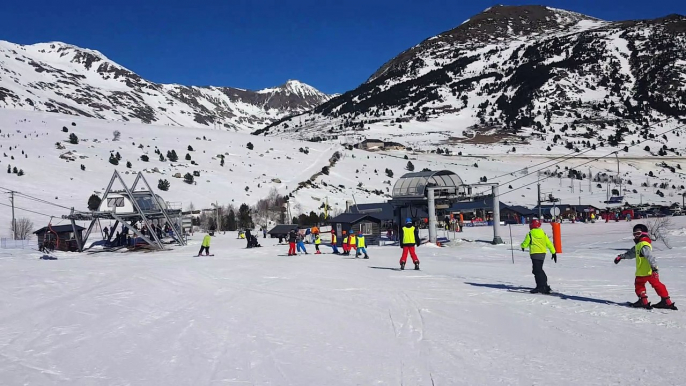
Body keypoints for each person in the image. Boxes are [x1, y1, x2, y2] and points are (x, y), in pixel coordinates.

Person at [615, 224, 677, 310]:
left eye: (638, 233)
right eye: (634, 234)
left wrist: (654, 268)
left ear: (644, 233)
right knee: (655, 284)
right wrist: (621, 256)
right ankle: (666, 301)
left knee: (642, 285)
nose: (636, 236)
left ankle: (644, 301)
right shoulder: (639, 245)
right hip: (647, 271)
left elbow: (650, 256)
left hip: (647, 271)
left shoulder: (644, 245)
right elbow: (630, 254)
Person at [520, 219, 557, 294]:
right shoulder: (543, 233)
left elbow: (526, 243)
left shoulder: (530, 234)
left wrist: (522, 246)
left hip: (534, 254)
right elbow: (549, 243)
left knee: (537, 270)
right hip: (542, 254)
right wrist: (553, 252)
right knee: (538, 269)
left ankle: (541, 286)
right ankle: (543, 285)